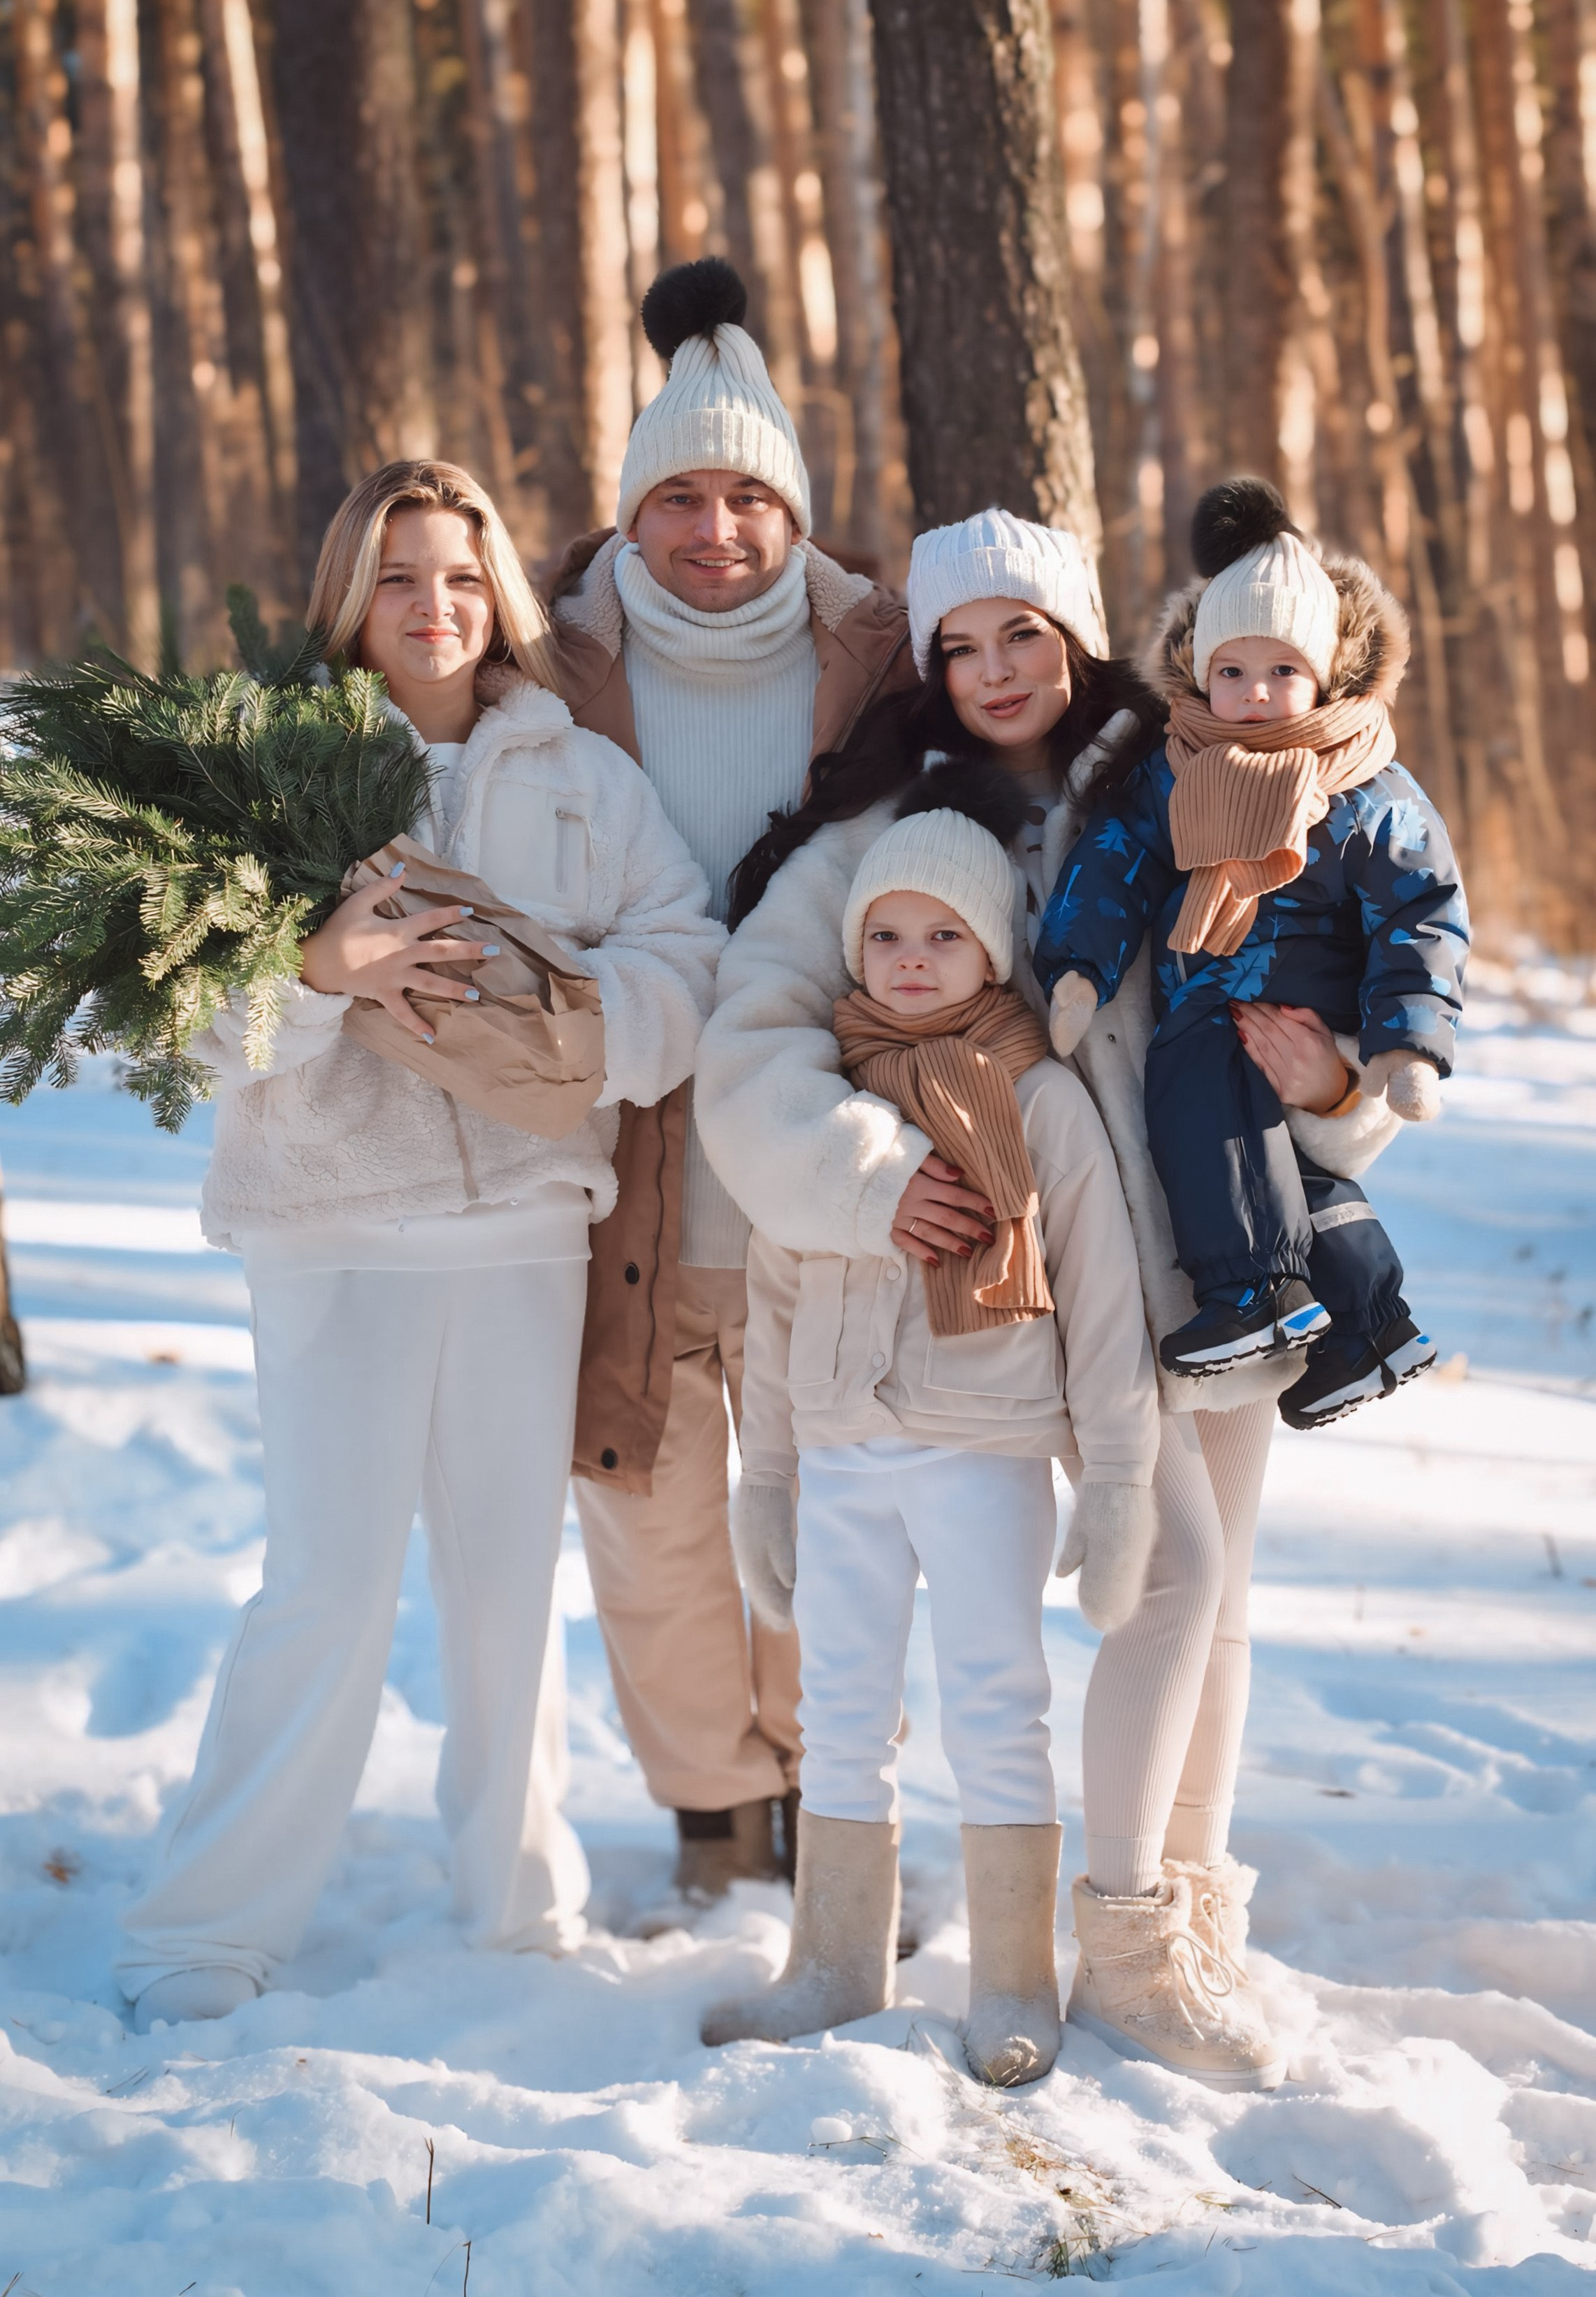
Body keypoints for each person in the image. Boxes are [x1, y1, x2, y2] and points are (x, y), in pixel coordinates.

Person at [696, 507, 1407, 2091]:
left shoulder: (1188, 783)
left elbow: (1318, 971)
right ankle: (1112, 1933)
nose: (995, 666)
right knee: (1162, 1579)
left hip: (1199, 1261)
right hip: (1009, 1301)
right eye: (961, 640)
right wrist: (875, 1178)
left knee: (1200, 1600)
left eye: (1025, 631)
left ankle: (1177, 1922)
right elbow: (745, 1064)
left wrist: (1344, 1088)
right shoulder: (866, 838)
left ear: (1080, 640)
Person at [117, 460, 722, 2031]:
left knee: (508, 1587)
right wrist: (318, 974)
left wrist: (589, 1036)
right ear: (350, 603)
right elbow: (169, 1028)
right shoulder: (261, 769)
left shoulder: (581, 772)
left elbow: (684, 953)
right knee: (324, 1585)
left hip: (526, 1225)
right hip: (334, 1228)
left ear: (498, 591)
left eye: (458, 574)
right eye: (398, 578)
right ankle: (205, 1927)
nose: (433, 605)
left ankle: (518, 1907)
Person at [547, 258, 917, 1904]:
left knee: (833, 1504)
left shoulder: (880, 665)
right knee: (649, 1508)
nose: (712, 530)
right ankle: (711, 1811)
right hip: (614, 1163)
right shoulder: (551, 675)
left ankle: (828, 1790)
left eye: (745, 496)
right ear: (629, 511)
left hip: (819, 1159)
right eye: (676, 496)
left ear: (793, 509)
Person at [700, 770, 1159, 2086]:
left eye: (944, 937)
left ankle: (1012, 1977)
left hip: (983, 1448)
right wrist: (767, 1477)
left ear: (993, 947)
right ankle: (835, 1961)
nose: (911, 964)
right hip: (841, 1447)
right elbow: (778, 1302)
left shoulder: (1043, 1104)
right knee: (838, 1705)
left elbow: (1107, 1305)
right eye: (887, 937)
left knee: (994, 1704)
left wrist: (1118, 1477)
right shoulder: (827, 1116)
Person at [1038, 478, 1467, 1429]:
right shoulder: (1177, 768)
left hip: (1294, 998)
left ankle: (1251, 1293)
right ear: (1198, 673)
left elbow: (1422, 910)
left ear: (1326, 675)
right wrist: (1079, 968)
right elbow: (1115, 864)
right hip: (1221, 982)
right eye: (1232, 672)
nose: (1256, 696)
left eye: (1282, 672)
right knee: (1287, 1178)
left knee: (1196, 1089)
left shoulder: (1363, 785)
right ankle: (1366, 1324)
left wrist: (1404, 1043)